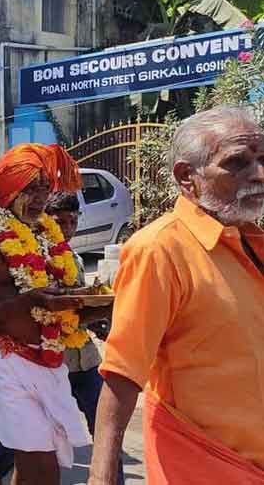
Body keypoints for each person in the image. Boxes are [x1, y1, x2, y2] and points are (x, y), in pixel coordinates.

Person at [89, 106, 264, 485]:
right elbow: (122, 373)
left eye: (262, 159)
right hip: (203, 465)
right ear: (188, 178)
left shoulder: (251, 239)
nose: (259, 174)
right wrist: (101, 477)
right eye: (237, 163)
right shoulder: (159, 249)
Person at [0, 143, 97, 485]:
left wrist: (99, 303)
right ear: (7, 192)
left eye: (44, 189)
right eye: (29, 189)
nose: (39, 199)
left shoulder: (47, 238)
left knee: (39, 463)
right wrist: (25, 303)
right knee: (42, 465)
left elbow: (58, 305)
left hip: (49, 361)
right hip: (6, 363)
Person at [46, 192, 125, 485]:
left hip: (86, 358)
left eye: (72, 221)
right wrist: (102, 306)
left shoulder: (75, 258)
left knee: (105, 425)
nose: (67, 228)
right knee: (45, 429)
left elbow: (82, 309)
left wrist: (105, 317)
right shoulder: (39, 260)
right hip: (55, 359)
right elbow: (61, 311)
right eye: (60, 222)